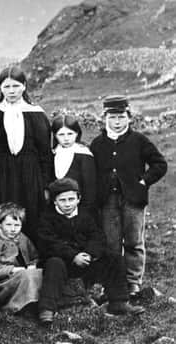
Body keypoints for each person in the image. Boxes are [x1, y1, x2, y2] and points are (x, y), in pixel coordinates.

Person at [37, 178, 146, 324]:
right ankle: (47, 309)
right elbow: (49, 243)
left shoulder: (87, 214)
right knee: (54, 263)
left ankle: (118, 302)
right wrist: (73, 255)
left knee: (113, 258)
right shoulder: (47, 218)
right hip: (63, 263)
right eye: (62, 200)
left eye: (71, 199)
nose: (68, 204)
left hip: (87, 261)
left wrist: (89, 253)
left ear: (78, 198)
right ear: (55, 201)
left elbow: (98, 237)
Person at [90, 95, 167, 296]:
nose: (117, 122)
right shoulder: (97, 144)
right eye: (112, 118)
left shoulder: (139, 140)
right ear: (104, 118)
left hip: (133, 201)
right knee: (111, 243)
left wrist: (143, 181)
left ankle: (133, 282)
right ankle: (113, 284)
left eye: (121, 117)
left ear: (129, 117)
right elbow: (91, 171)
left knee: (133, 242)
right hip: (107, 202)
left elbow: (160, 165)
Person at [0, 66, 53, 245]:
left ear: (24, 86)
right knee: (1, 217)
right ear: (1, 88)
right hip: (1, 175)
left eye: (16, 86)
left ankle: (32, 263)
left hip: (30, 175)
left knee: (31, 217)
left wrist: (45, 184)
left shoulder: (36, 114)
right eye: (7, 87)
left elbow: (45, 153)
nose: (11, 91)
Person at [0, 202, 43, 313]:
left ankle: (39, 301)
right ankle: (23, 305)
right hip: (4, 283)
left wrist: (32, 265)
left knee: (39, 273)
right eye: (9, 225)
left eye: (17, 226)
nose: (13, 229)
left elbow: (34, 256)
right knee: (26, 275)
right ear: (0, 224)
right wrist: (12, 270)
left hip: (23, 275)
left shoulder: (23, 238)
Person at [51, 114, 96, 212]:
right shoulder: (53, 154)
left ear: (77, 133)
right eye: (61, 135)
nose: (66, 138)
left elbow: (89, 187)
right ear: (55, 135)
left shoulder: (84, 154)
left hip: (81, 207)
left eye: (70, 134)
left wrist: (86, 211)